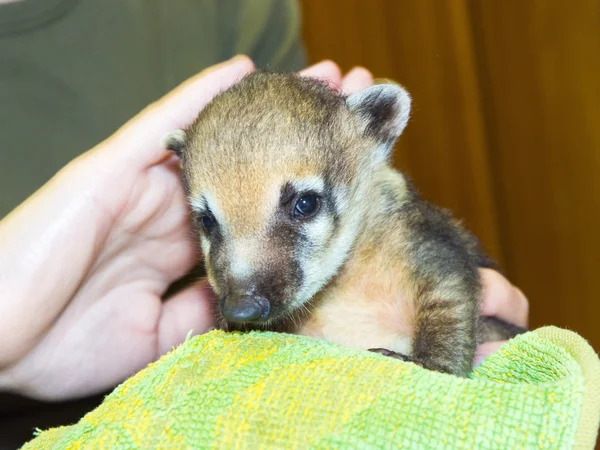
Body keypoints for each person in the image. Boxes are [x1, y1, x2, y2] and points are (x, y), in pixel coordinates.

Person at [0, 54, 528, 404]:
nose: (241, 298)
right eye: (210, 223)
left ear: (377, 128)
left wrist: (431, 389)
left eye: (301, 207)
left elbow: (448, 298)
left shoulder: (400, 236)